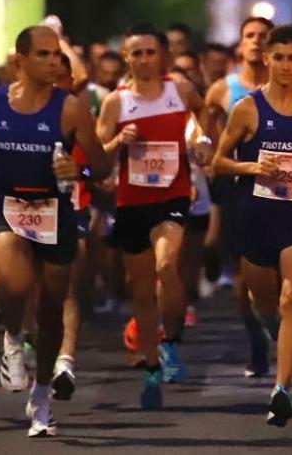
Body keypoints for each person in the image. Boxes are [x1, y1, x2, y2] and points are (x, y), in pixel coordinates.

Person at [0, 24, 109, 437]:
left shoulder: (72, 108)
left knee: (53, 307)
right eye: (43, 54)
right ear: (20, 61)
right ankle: (11, 339)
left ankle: (41, 396)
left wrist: (81, 169)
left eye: (56, 54)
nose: (54, 62)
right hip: (3, 204)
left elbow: (104, 167)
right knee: (16, 282)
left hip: (52, 207)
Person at [213, 24, 292, 427]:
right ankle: (279, 339)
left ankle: (280, 390)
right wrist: (251, 166)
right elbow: (218, 162)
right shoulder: (247, 107)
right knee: (266, 303)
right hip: (255, 219)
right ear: (267, 60)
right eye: (277, 57)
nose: (285, 65)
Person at [97, 23, 207, 407]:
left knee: (166, 266)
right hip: (132, 202)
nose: (144, 59)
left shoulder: (180, 91)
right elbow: (96, 156)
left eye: (150, 52)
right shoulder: (117, 101)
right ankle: (151, 367)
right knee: (142, 292)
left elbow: (201, 120)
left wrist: (203, 142)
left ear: (163, 55)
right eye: (136, 53)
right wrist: (117, 142)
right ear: (126, 57)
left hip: (173, 195)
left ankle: (172, 342)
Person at [203, 16, 274, 376]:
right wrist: (208, 151)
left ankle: (285, 332)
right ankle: (258, 342)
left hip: (282, 189)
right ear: (241, 44)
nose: (257, 42)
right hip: (238, 189)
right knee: (244, 278)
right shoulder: (223, 89)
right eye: (250, 36)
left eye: (264, 36)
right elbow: (204, 129)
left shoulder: (287, 86)